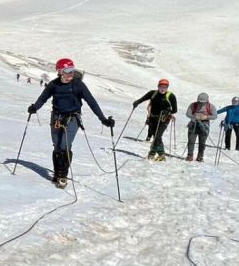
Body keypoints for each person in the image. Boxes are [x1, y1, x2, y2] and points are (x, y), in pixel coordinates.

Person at [27, 58, 115, 188]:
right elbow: (43, 98)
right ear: (60, 71)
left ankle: (62, 176)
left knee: (64, 146)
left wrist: (103, 120)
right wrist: (35, 107)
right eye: (67, 71)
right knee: (57, 146)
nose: (70, 74)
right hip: (56, 118)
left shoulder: (78, 85)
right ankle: (57, 174)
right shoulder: (53, 85)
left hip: (72, 118)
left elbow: (92, 102)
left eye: (72, 70)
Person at [133, 79, 177, 160]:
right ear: (158, 86)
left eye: (165, 87)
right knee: (156, 137)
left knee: (157, 136)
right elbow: (143, 98)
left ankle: (152, 153)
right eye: (161, 87)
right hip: (152, 118)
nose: (163, 89)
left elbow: (175, 110)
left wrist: (167, 111)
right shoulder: (153, 93)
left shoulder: (171, 96)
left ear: (167, 87)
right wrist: (137, 102)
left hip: (164, 119)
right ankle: (161, 154)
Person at [185, 93, 217, 162]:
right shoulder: (193, 105)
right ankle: (190, 155)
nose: (201, 103)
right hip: (193, 125)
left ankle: (200, 156)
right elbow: (188, 113)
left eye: (203, 102)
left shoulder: (211, 106)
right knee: (191, 141)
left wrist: (206, 117)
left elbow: (214, 116)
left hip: (204, 126)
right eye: (199, 102)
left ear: (207, 101)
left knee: (202, 142)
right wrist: (194, 116)